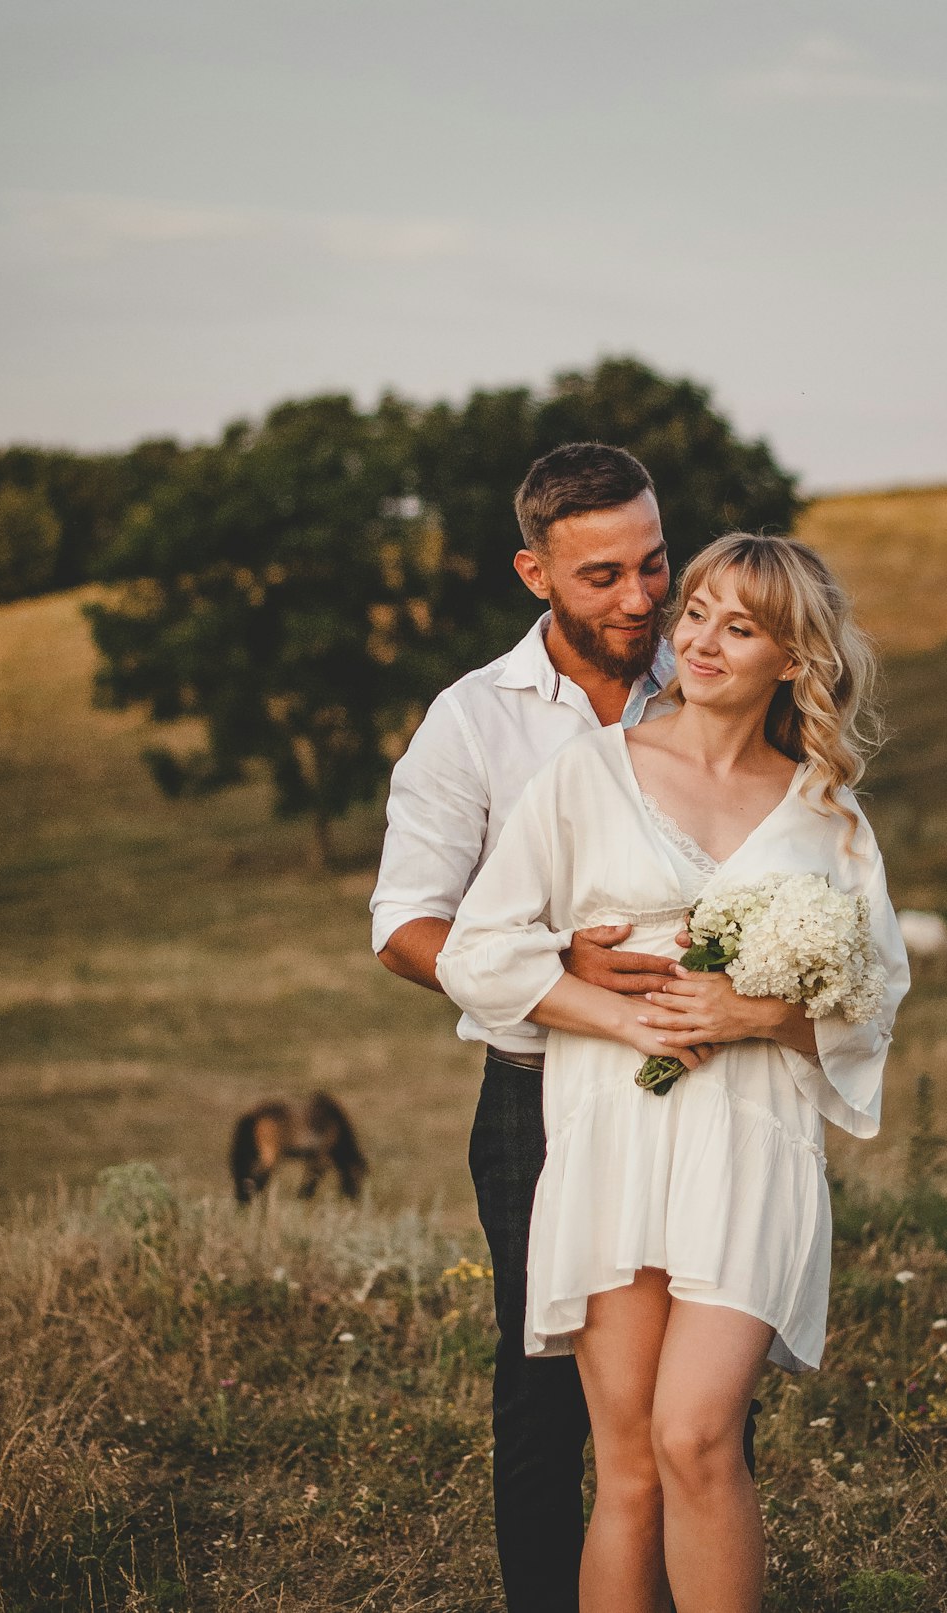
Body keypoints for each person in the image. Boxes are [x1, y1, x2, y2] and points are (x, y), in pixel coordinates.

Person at [436, 533, 911, 1613]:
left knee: (698, 1433)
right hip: (612, 1132)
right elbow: (480, 948)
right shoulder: (589, 774)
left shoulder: (825, 812)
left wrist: (756, 1012)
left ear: (791, 659)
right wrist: (617, 1015)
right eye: (695, 608)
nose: (695, 636)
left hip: (748, 1142)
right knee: (632, 1464)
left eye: (737, 625)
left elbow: (874, 996)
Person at [372, 442, 704, 1613]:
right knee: (545, 1395)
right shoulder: (475, 720)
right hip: (539, 1100)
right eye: (602, 574)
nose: (640, 598)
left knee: (698, 1401)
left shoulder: (717, 677)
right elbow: (405, 923)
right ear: (534, 571)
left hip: (700, 1090)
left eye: (655, 564)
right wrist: (551, 962)